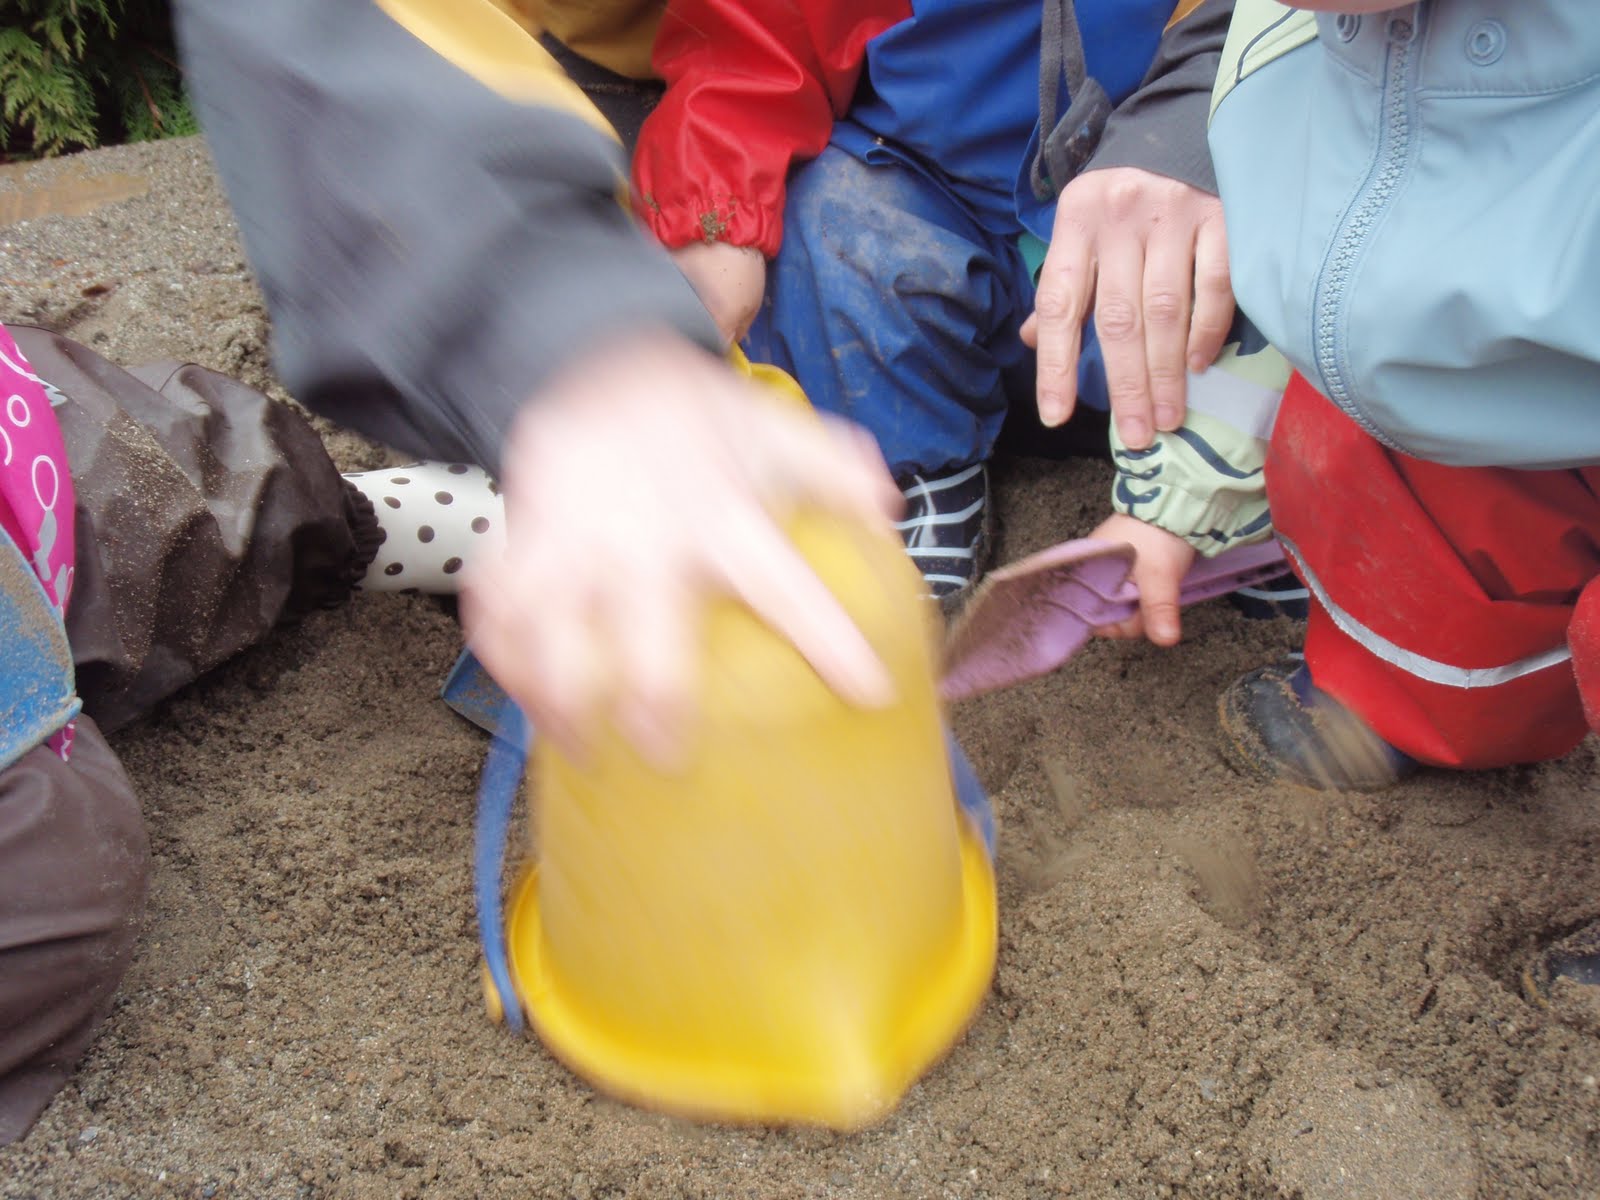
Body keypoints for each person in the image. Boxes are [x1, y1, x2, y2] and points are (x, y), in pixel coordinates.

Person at [1061, 0, 1600, 978]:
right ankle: (1405, 696)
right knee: (1348, 454)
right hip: (1464, 411)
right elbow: (1298, 296)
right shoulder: (1278, 39)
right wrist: (1167, 509)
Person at [628, 0, 1241, 604]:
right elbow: (756, 41)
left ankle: (1232, 501)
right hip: (932, 188)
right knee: (827, 222)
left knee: (1241, 284)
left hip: (1156, 200)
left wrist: (1188, 149)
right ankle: (919, 469)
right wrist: (715, 212)